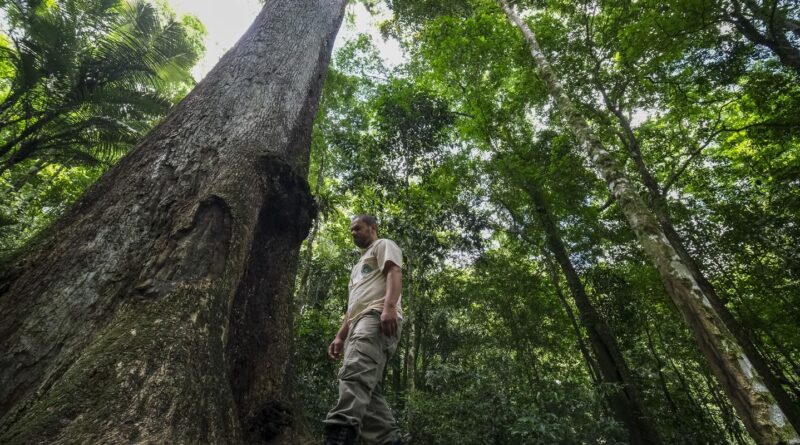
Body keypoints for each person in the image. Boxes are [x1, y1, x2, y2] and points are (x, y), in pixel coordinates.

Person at [323, 215, 404, 445]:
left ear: (373, 228)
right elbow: (354, 306)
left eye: (358, 228)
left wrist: (388, 307)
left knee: (355, 372)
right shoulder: (357, 267)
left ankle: (338, 434)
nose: (353, 233)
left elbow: (394, 273)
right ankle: (389, 440)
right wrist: (340, 336)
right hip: (358, 322)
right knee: (368, 393)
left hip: (376, 317)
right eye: (351, 230)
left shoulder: (383, 245)